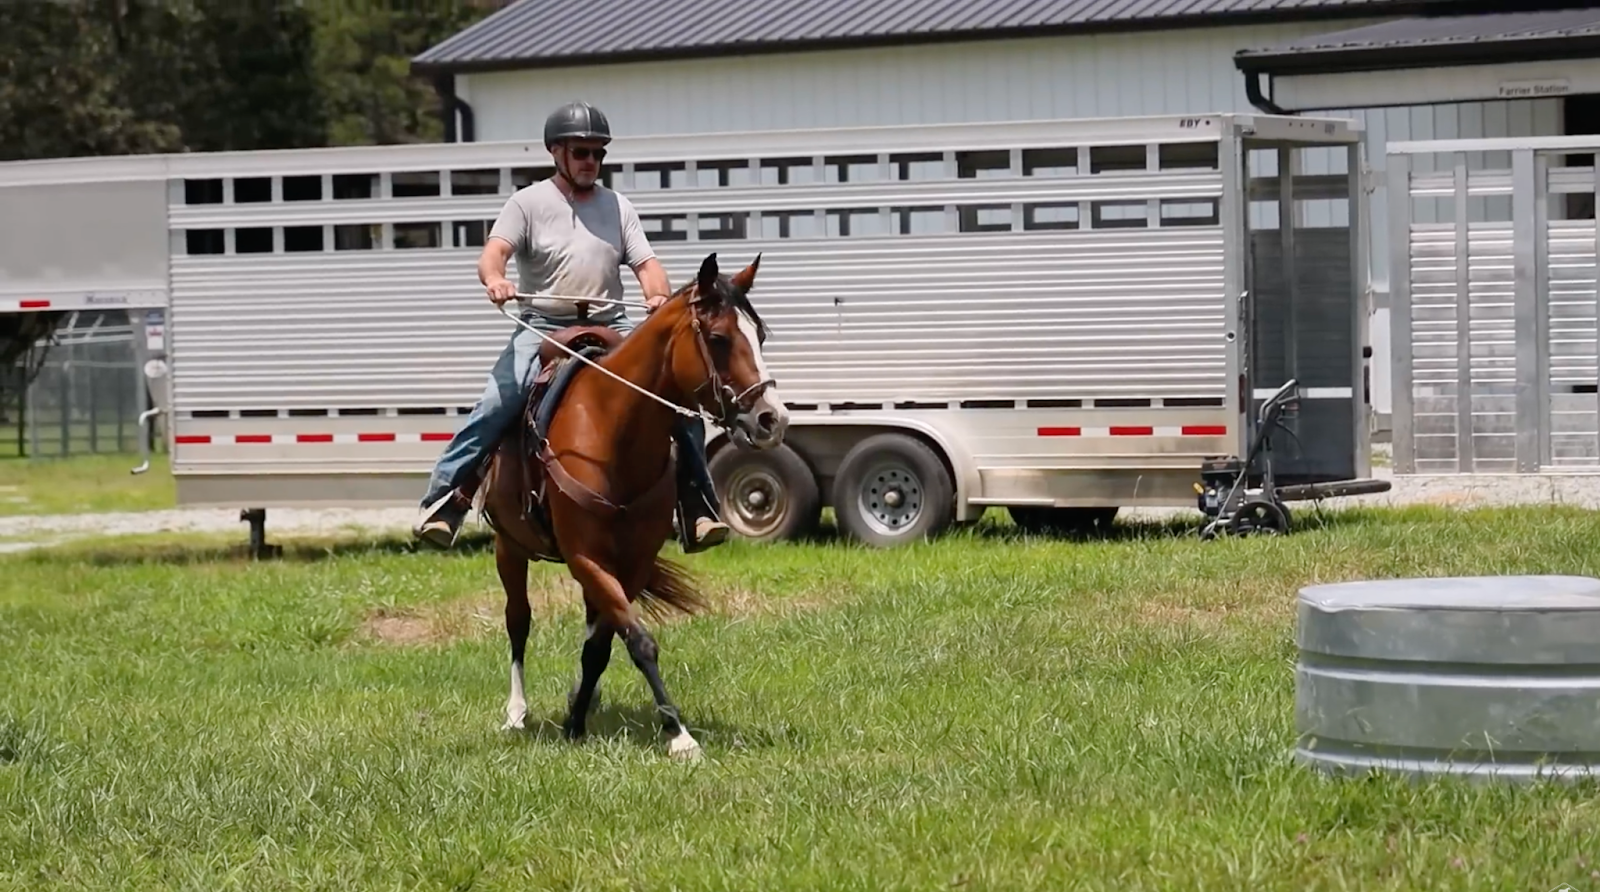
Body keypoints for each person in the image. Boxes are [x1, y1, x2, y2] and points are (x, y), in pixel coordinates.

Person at [413, 100, 730, 553]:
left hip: (610, 320)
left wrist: (657, 295)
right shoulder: (527, 203)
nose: (591, 161)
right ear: (556, 152)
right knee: (498, 403)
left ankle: (697, 508)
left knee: (676, 402)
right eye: (581, 152)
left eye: (598, 153)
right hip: (543, 323)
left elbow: (647, 265)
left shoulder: (618, 206)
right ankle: (445, 500)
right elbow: (493, 254)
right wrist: (496, 279)